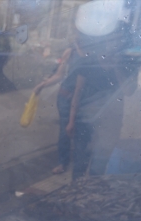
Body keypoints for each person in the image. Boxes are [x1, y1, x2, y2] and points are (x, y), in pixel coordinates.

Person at [34, 38, 86, 175]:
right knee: (65, 131)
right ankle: (63, 162)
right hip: (64, 98)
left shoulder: (91, 55)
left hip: (83, 100)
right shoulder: (69, 53)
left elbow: (81, 88)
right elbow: (59, 75)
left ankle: (80, 165)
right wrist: (41, 86)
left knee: (80, 130)